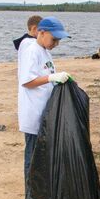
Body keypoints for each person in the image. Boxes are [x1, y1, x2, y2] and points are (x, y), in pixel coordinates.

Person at [17, 16, 72, 189]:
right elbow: (27, 81)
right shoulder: (32, 50)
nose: (56, 44)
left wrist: (57, 81)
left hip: (44, 113)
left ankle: (41, 192)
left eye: (58, 40)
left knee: (42, 158)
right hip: (33, 113)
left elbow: (45, 77)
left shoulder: (45, 51)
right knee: (33, 158)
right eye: (54, 39)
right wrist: (51, 77)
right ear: (41, 32)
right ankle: (31, 196)